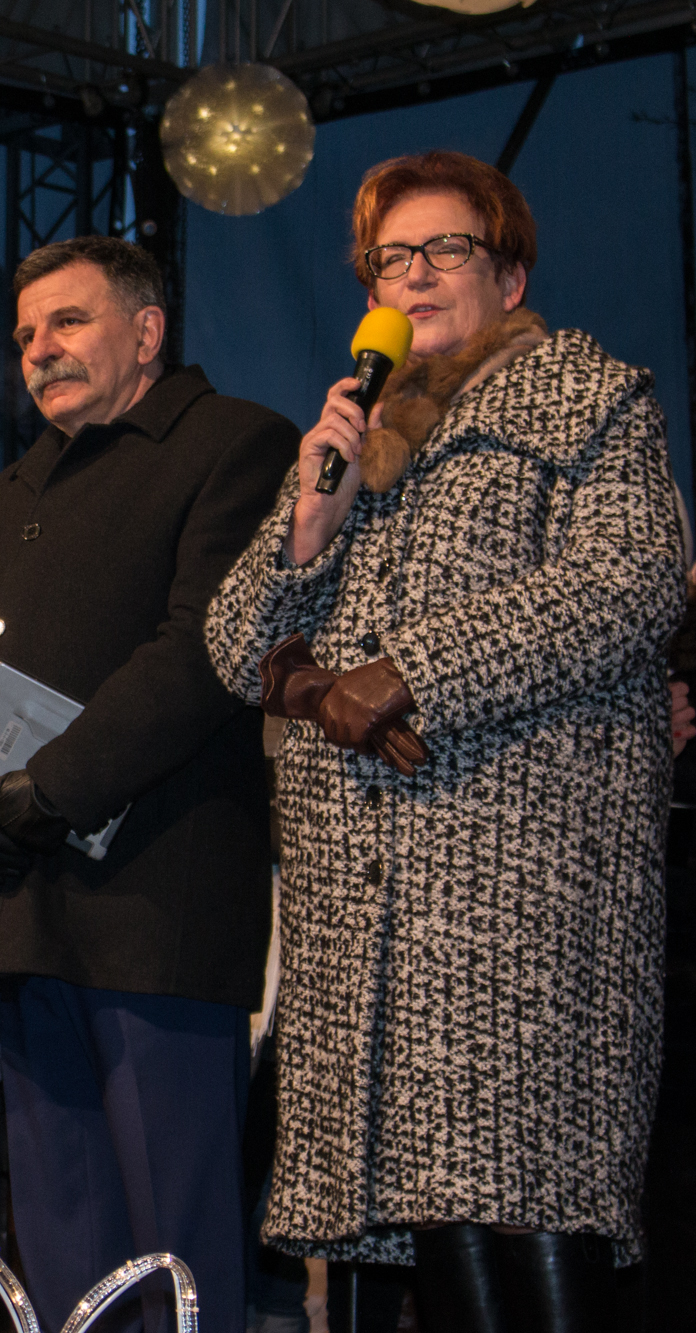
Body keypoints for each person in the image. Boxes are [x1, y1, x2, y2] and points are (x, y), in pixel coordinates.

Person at [205, 151, 683, 1333]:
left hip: (523, 896)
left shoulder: (586, 397)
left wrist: (409, 673)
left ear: (507, 277)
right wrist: (306, 526)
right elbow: (230, 644)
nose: (411, 274)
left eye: (443, 249)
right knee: (440, 1227)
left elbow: (627, 581)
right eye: (388, 258)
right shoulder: (353, 441)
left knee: (534, 1202)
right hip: (368, 918)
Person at [0, 235, 298, 1333]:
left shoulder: (235, 444)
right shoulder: (9, 491)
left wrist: (50, 788)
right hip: (18, 903)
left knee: (177, 1248)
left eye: (67, 321)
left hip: (153, 903)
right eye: (25, 334)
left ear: (146, 330)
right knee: (63, 1235)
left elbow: (202, 650)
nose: (39, 349)